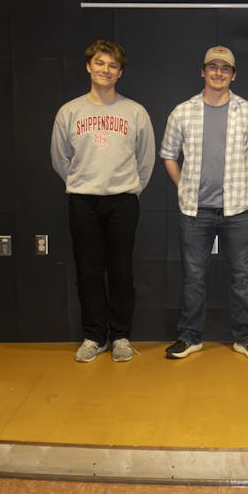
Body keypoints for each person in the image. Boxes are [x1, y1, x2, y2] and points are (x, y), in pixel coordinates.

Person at [160, 46, 248, 360]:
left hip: (238, 211)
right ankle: (190, 337)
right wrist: (185, 187)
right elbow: (168, 154)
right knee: (194, 277)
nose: (218, 73)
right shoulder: (183, 111)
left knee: (241, 277)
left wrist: (243, 192)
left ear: (233, 75)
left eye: (225, 68)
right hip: (195, 212)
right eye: (213, 67)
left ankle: (245, 338)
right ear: (203, 71)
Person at [50, 39, 155, 364]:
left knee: (121, 272)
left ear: (120, 72)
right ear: (88, 66)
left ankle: (121, 335)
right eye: (100, 63)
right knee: (88, 272)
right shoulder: (70, 111)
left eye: (112, 65)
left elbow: (146, 159)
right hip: (83, 201)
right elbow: (59, 158)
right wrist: (81, 182)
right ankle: (94, 336)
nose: (105, 70)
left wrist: (130, 188)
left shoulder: (135, 111)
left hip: (123, 201)